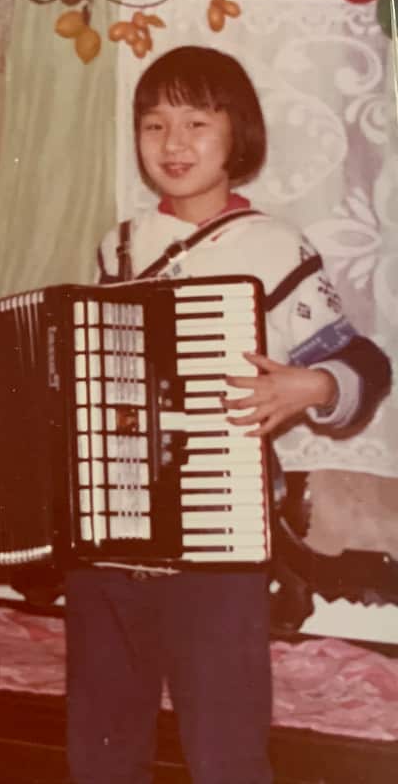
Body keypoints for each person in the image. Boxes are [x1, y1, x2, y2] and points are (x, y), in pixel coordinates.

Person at [69, 45, 392, 784]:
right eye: (154, 125)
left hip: (219, 543)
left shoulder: (274, 248)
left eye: (195, 121)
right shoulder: (119, 246)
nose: (173, 143)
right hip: (113, 537)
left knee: (225, 752)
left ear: (235, 133)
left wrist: (308, 387)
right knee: (102, 749)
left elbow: (367, 366)